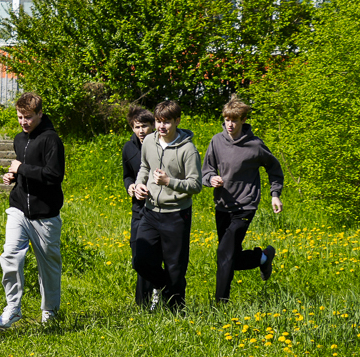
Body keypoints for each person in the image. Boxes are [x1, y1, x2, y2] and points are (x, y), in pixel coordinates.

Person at [202, 95, 284, 302]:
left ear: (243, 120)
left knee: (224, 254)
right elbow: (207, 170)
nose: (230, 124)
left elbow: (274, 169)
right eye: (227, 120)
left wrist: (275, 194)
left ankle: (220, 304)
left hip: (245, 205)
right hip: (222, 205)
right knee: (230, 256)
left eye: (234, 120)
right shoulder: (216, 141)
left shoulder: (255, 145)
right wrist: (211, 179)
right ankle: (262, 257)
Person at [0, 92, 66, 327]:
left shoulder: (51, 140)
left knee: (49, 266)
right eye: (19, 117)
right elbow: (23, 169)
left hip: (45, 214)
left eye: (28, 117)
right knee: (10, 255)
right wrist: (13, 176)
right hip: (18, 209)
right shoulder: (19, 139)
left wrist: (21, 169)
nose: (23, 122)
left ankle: (50, 311)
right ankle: (13, 307)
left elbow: (54, 176)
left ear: (40, 114)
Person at [132, 100, 202, 311]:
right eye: (158, 121)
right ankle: (166, 289)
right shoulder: (149, 141)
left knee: (175, 267)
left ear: (177, 121)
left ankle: (176, 312)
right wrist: (139, 184)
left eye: (167, 122)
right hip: (151, 211)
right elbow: (145, 167)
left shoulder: (188, 150)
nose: (161, 126)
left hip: (177, 214)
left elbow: (196, 185)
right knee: (140, 260)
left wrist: (169, 182)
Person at [122, 106, 158, 309]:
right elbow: (127, 174)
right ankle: (153, 291)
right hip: (138, 209)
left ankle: (147, 301)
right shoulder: (129, 148)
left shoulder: (160, 146)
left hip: (158, 208)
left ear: (153, 125)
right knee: (138, 255)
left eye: (144, 126)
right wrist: (130, 186)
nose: (141, 130)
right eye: (137, 127)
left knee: (154, 254)